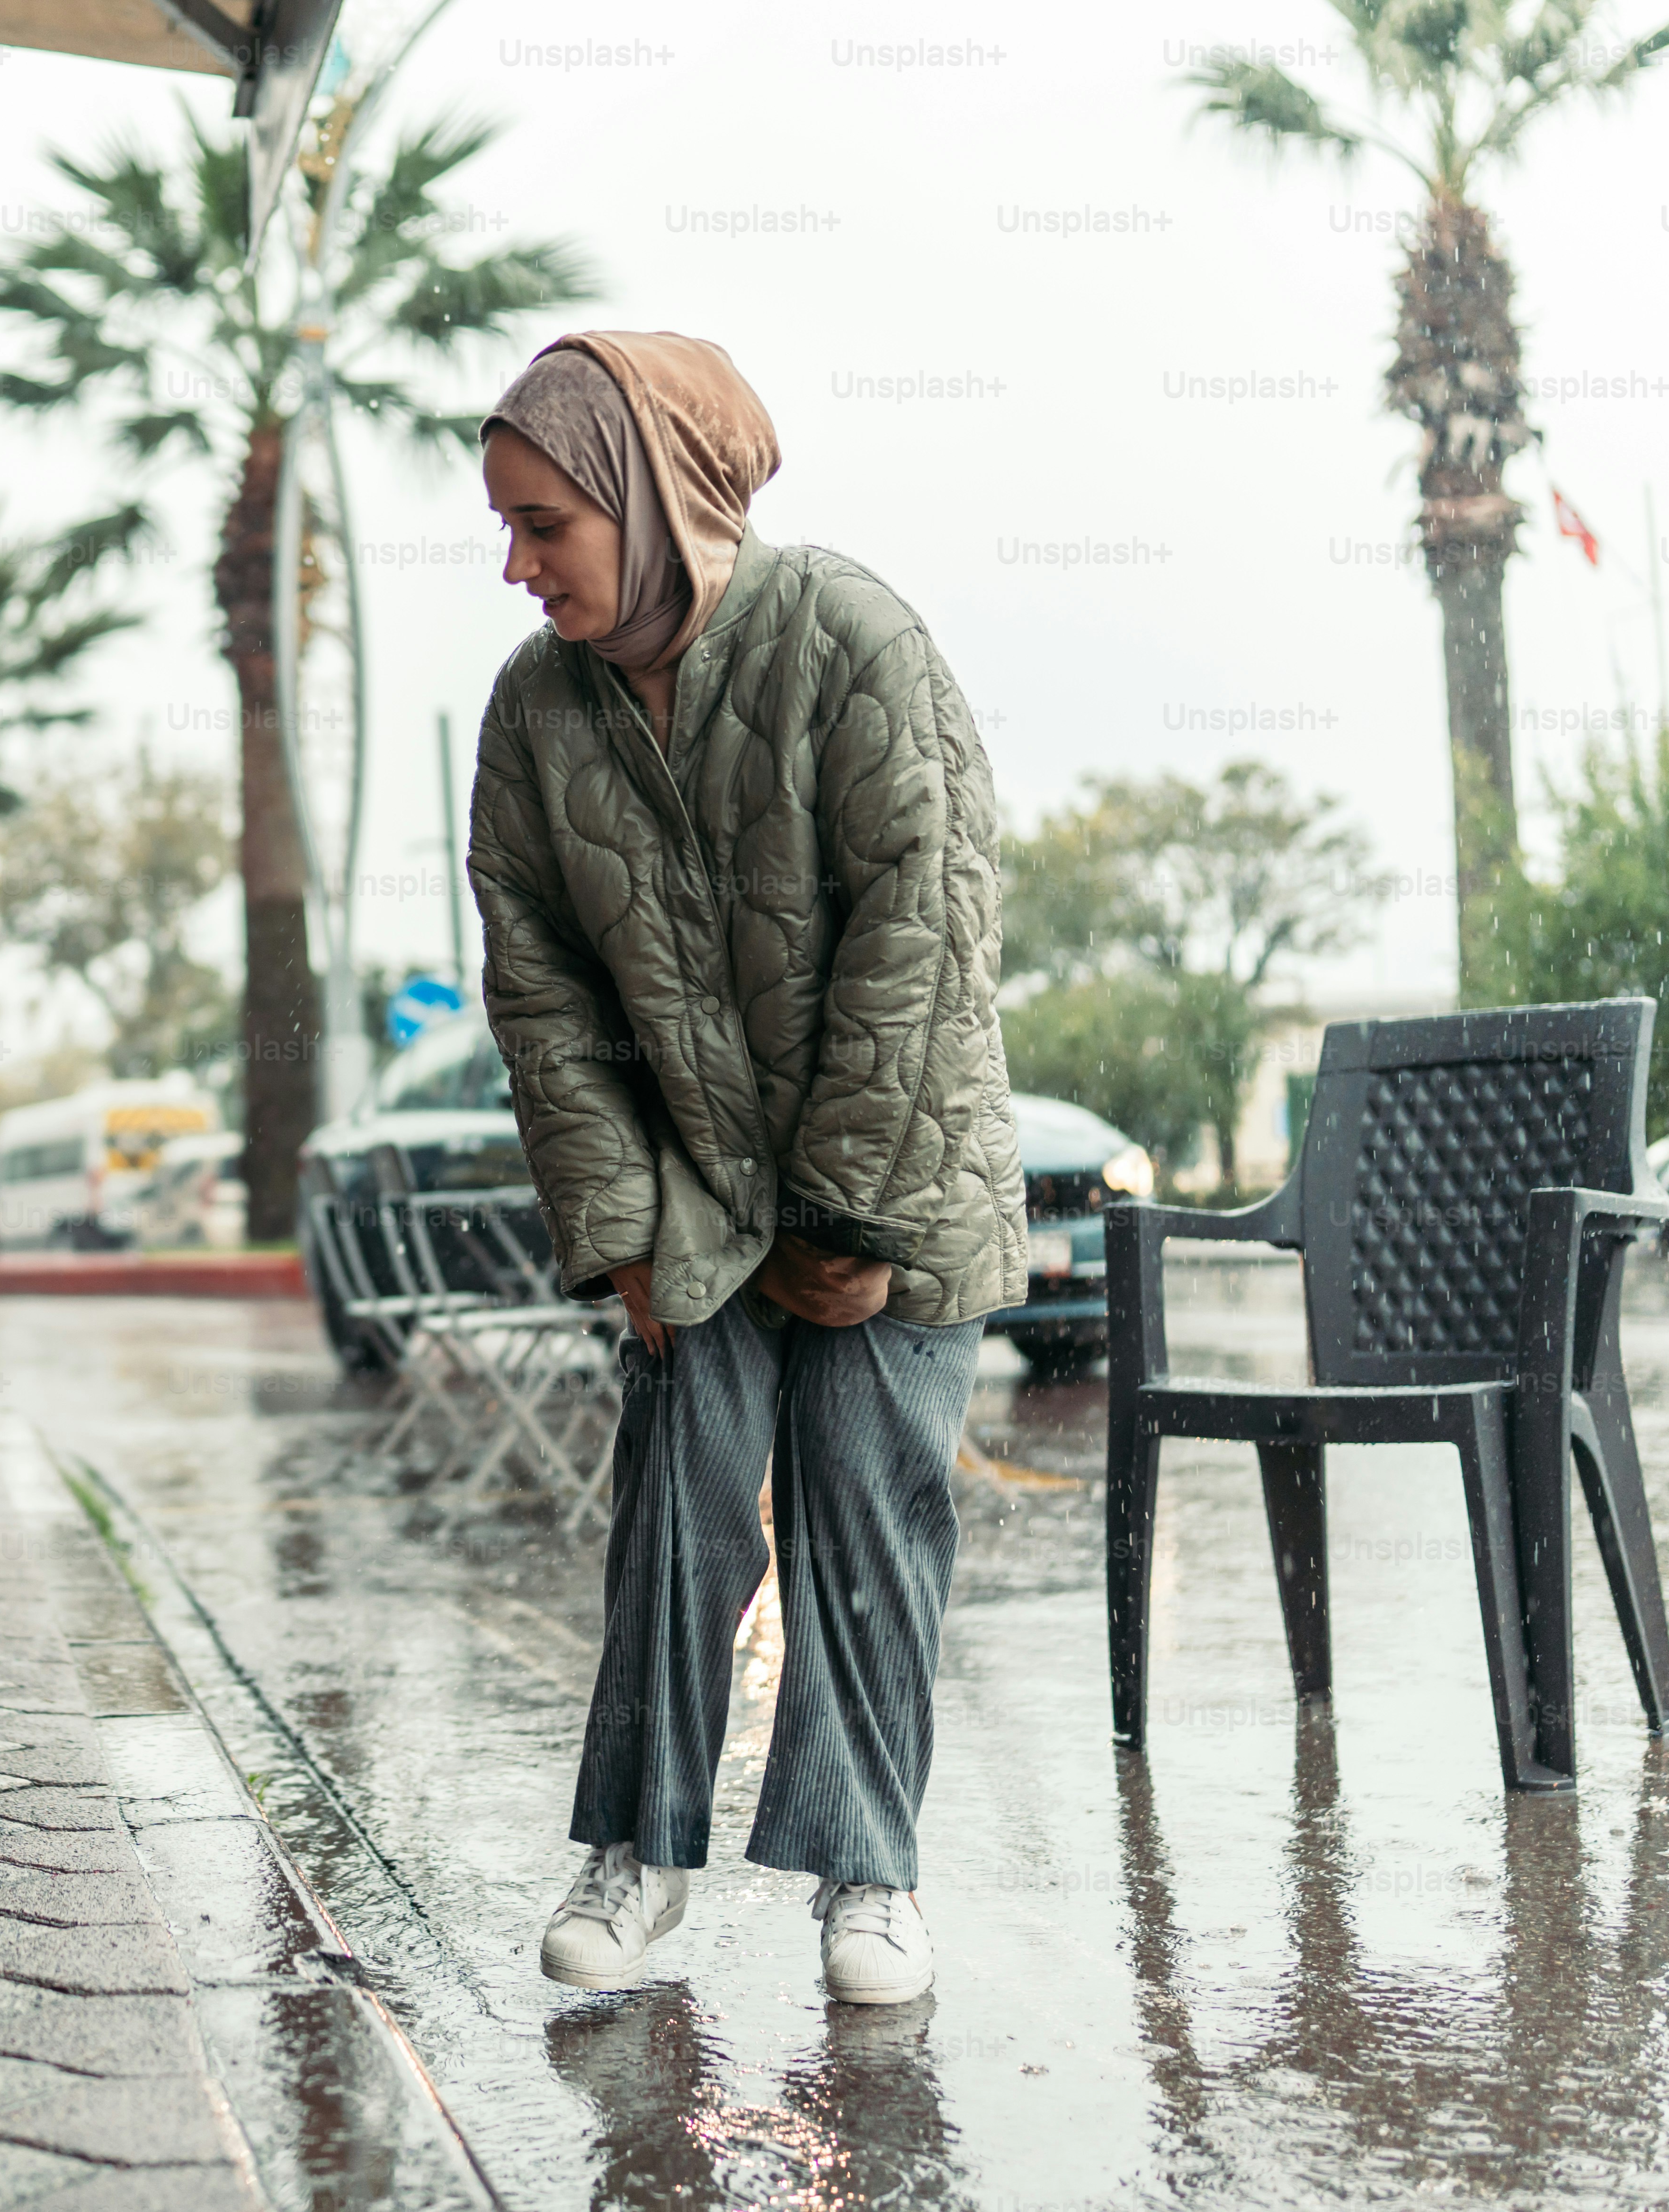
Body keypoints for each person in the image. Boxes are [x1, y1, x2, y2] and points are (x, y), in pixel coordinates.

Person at [466, 333, 1025, 2006]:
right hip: (690, 1191)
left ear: (646, 498)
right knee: (677, 1509)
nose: (515, 564)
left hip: (891, 1172)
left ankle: (868, 1879)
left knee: (865, 1513)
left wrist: (849, 1212)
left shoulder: (852, 639)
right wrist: (622, 1228)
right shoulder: (532, 709)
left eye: (542, 523)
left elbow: (920, 929)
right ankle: (635, 1857)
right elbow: (538, 982)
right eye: (503, 525)